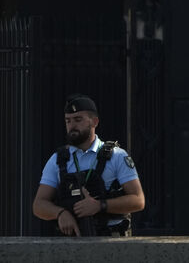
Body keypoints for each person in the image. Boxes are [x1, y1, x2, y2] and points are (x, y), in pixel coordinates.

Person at [32, 94, 145, 237]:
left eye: (78, 119)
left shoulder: (117, 156)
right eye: (68, 121)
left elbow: (138, 200)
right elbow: (39, 205)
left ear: (94, 122)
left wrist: (100, 205)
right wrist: (60, 213)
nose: (72, 125)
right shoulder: (58, 160)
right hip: (72, 242)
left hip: (110, 241)